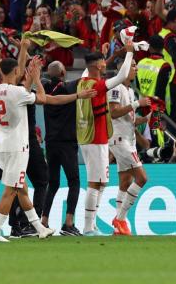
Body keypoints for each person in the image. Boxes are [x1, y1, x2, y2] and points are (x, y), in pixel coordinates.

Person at [0, 56, 81, 242]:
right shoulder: (18, 92)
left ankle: (39, 227)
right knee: (11, 190)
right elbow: (41, 98)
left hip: (2, 145)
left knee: (21, 188)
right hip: (17, 146)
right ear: (15, 71)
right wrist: (37, 78)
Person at [77, 39, 135, 236]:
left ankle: (91, 226)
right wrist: (129, 52)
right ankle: (87, 227)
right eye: (102, 61)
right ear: (95, 66)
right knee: (95, 182)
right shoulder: (96, 85)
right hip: (96, 139)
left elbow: (99, 67)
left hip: (91, 138)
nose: (105, 63)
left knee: (100, 182)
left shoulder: (84, 80)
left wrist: (113, 55)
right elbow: (121, 76)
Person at [40, 61, 82, 235]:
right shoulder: (70, 87)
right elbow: (88, 75)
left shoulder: (44, 89)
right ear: (64, 72)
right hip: (66, 142)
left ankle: (44, 220)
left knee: (53, 183)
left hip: (50, 143)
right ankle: (69, 223)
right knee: (74, 181)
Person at [107, 71, 150, 236]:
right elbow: (114, 112)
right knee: (142, 178)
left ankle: (118, 228)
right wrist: (137, 104)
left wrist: (147, 118)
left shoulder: (130, 90)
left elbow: (130, 120)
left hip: (128, 140)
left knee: (125, 183)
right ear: (124, 70)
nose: (136, 69)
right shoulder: (115, 87)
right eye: (133, 66)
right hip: (119, 140)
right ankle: (120, 218)